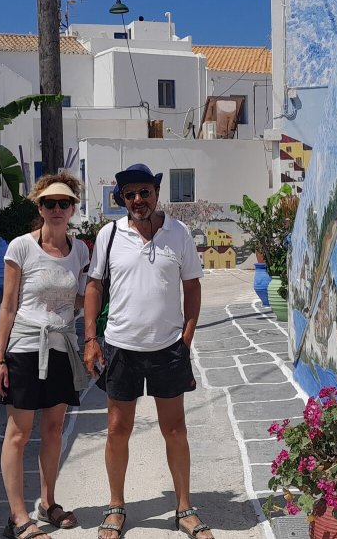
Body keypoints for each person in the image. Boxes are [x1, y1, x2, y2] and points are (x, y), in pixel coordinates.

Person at [83, 163, 214, 539]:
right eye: (130, 195)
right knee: (116, 429)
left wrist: (186, 338)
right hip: (121, 348)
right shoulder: (109, 235)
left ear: (156, 193)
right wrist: (91, 338)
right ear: (121, 199)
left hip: (167, 348)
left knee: (174, 429)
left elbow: (192, 286)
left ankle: (184, 507)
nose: (138, 200)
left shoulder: (179, 233)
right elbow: (94, 287)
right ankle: (115, 505)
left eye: (145, 192)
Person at [0, 172, 91, 539]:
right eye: (49, 203)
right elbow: (7, 306)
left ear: (72, 208)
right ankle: (18, 516)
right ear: (40, 207)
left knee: (53, 430)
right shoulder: (21, 247)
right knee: (19, 433)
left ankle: (47, 504)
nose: (57, 209)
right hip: (25, 348)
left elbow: (80, 299)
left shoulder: (79, 250)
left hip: (62, 347)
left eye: (64, 203)